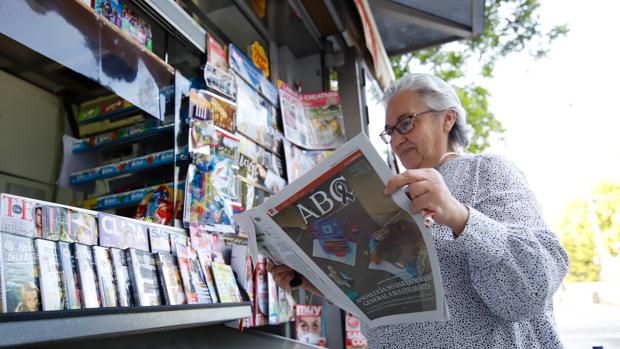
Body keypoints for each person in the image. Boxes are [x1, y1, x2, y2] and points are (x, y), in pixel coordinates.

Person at [268, 73, 569, 348]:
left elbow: (532, 287)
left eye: (406, 123)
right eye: (389, 131)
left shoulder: (486, 171)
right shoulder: (392, 194)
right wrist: (318, 283)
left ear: (448, 119)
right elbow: (385, 297)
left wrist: (458, 215)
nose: (397, 139)